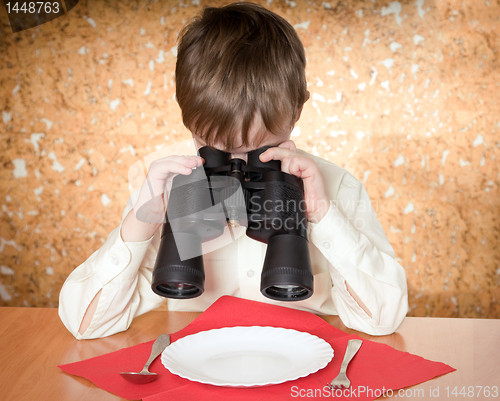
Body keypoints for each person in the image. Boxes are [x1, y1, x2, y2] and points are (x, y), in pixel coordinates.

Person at [59, 2, 408, 340]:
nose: (236, 167)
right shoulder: (168, 183)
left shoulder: (336, 186)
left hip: (305, 363)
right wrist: (142, 221)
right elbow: (86, 325)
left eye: (257, 152)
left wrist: (321, 214)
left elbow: (383, 320)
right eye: (214, 149)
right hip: (195, 365)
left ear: (297, 110)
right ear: (185, 112)